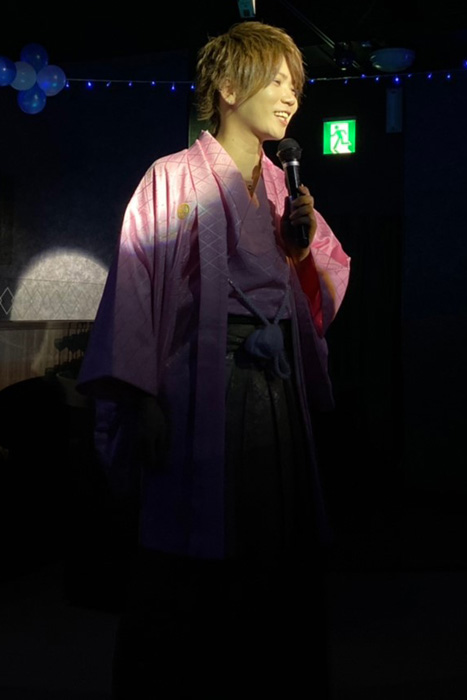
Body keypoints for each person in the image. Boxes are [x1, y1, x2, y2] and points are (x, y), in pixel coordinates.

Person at [77, 20, 350, 700]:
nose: (292, 96)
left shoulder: (286, 191)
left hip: (275, 390)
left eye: (296, 84)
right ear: (227, 86)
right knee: (193, 553)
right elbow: (135, 288)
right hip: (200, 387)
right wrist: (142, 396)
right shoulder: (170, 179)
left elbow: (325, 280)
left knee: (273, 547)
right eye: (277, 80)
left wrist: (300, 252)